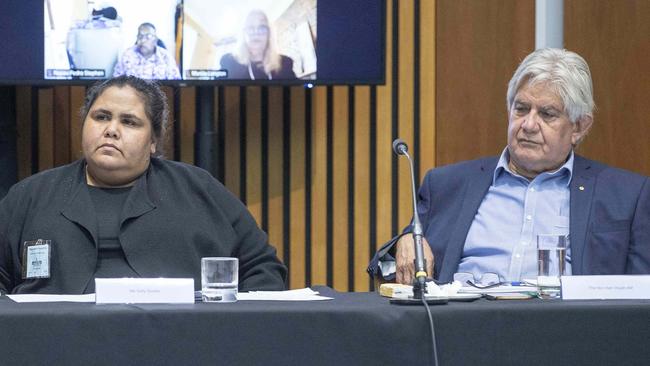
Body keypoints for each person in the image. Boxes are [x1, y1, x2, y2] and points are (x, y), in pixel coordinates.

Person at [368, 48, 650, 285]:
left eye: (547, 114)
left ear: (579, 126)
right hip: (460, 336)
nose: (528, 125)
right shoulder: (448, 185)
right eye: (521, 108)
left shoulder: (626, 195)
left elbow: (640, 302)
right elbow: (386, 271)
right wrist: (403, 243)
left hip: (567, 339)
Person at [0, 76, 286, 294]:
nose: (111, 129)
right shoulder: (29, 196)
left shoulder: (198, 190)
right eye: (101, 117)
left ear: (153, 141)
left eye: (130, 122)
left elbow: (263, 269)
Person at [219, 10, 296, 80]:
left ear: (269, 34)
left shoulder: (284, 63)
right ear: (243, 34)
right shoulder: (229, 63)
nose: (256, 33)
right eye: (250, 28)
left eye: (262, 27)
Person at [113, 23, 180, 80]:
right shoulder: (127, 55)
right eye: (140, 36)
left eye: (148, 36)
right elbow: (117, 82)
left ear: (155, 40)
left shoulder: (166, 57)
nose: (142, 40)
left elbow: (176, 83)